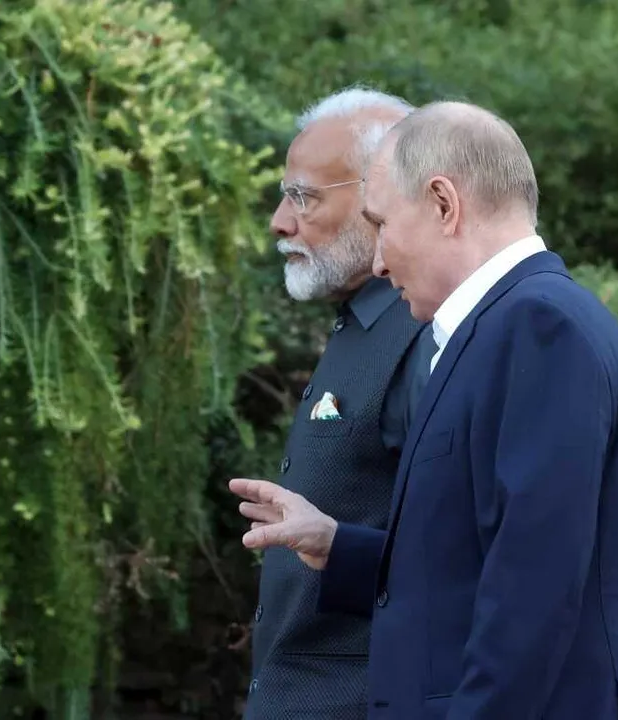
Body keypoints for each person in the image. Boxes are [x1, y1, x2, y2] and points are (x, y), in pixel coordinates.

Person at [230, 100, 618, 720]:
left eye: (383, 224)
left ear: (444, 205)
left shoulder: (538, 328)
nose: (380, 261)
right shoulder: (503, 327)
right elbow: (472, 567)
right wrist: (338, 546)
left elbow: (533, 599)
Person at [240, 87, 438, 720]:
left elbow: (458, 560)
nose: (279, 220)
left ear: (381, 191)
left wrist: (333, 542)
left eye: (303, 195)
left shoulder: (424, 331)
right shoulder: (364, 320)